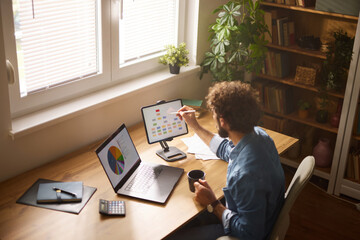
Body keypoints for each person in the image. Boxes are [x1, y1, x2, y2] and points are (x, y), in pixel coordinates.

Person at [174, 81, 285, 240]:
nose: (213, 118)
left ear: (223, 120)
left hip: (248, 232)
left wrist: (214, 203)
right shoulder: (260, 136)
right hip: (265, 214)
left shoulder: (244, 176)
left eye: (213, 113)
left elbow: (250, 234)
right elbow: (227, 149)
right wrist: (195, 126)